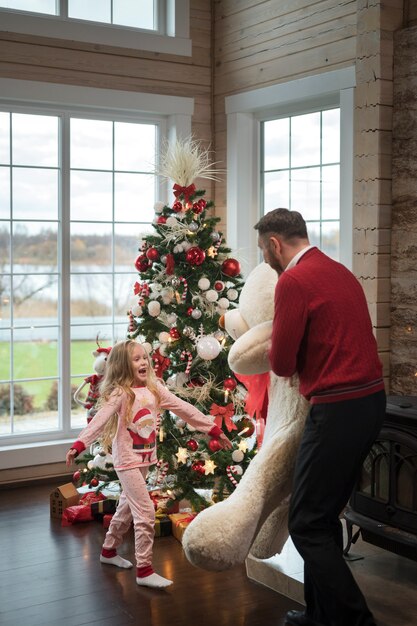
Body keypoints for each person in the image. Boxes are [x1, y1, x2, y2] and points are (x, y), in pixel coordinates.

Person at [254, 208, 386, 626]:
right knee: (323, 518)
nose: (265, 262)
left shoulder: (293, 280)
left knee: (307, 523)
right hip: (371, 403)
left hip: (336, 409)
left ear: (276, 244)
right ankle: (320, 615)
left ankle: (355, 620)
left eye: (263, 251)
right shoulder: (339, 270)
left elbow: (280, 361)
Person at [66, 339, 232, 588]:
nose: (143, 362)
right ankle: (144, 570)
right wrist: (79, 444)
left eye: (144, 357)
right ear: (124, 365)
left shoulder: (155, 390)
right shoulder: (122, 393)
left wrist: (213, 429)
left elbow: (184, 408)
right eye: (136, 359)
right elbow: (99, 420)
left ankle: (108, 551)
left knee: (125, 506)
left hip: (145, 457)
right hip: (126, 461)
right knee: (144, 512)